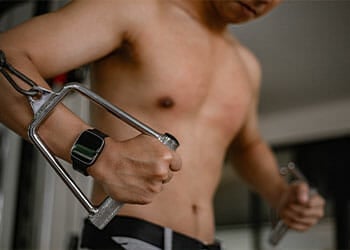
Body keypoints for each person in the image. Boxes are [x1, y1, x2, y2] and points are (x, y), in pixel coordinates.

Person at [0, 0, 325, 249]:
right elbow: (6, 56)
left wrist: (280, 195)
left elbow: (247, 145)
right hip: (132, 236)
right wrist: (99, 154)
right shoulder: (136, 10)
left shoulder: (247, 66)